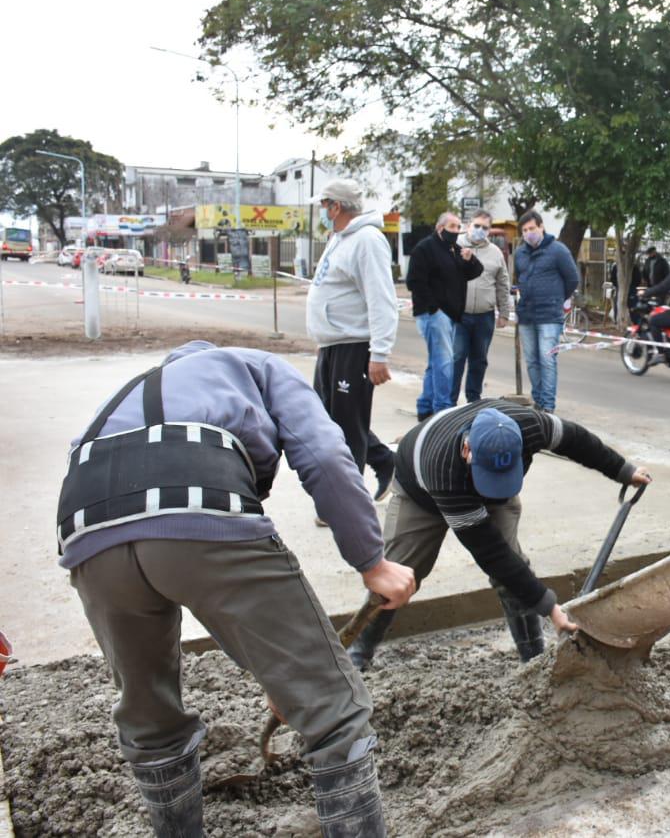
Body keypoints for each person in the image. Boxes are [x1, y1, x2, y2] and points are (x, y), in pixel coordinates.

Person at [55, 341, 418, 837]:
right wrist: (372, 562)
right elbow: (326, 455)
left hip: (87, 528)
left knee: (150, 718)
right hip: (197, 493)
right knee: (334, 711)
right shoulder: (257, 367)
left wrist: (277, 672)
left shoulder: (128, 393)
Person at [346, 399, 652, 670]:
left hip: (481, 486)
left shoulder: (531, 426)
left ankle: (532, 659)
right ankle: (358, 652)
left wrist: (622, 470)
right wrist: (550, 607)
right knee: (397, 574)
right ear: (467, 449)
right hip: (419, 492)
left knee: (513, 574)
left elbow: (577, 440)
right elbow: (490, 552)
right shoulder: (443, 469)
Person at [306, 178, 399, 507]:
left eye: (323, 206)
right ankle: (385, 461)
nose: (320, 212)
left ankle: (348, 505)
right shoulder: (339, 238)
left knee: (346, 430)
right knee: (326, 421)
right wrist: (324, 337)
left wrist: (380, 353)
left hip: (354, 347)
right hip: (333, 345)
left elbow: (381, 299)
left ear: (336, 206)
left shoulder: (367, 240)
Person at [405, 212, 483, 420]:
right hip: (434, 314)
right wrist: (433, 308)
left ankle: (425, 406)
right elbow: (414, 281)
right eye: (452, 226)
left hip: (451, 315)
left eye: (458, 227)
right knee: (444, 362)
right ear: (440, 228)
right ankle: (442, 409)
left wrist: (469, 260)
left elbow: (475, 271)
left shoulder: (454, 250)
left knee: (436, 362)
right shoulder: (425, 248)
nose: (456, 231)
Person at [513, 210, 579, 412]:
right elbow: (518, 279)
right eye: (525, 230)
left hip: (549, 316)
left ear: (541, 227)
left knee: (547, 359)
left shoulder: (558, 250)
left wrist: (557, 299)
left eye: (532, 228)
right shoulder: (520, 253)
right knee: (532, 361)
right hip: (526, 315)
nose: (529, 233)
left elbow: (572, 279)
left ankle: (548, 406)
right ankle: (539, 401)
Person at [450, 210, 512, 405]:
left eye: (484, 227)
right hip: (459, 315)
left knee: (479, 360)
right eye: (476, 225)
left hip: (484, 317)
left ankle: (473, 400)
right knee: (456, 357)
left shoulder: (495, 253)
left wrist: (504, 312)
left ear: (489, 230)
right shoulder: (453, 246)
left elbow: (503, 284)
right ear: (468, 225)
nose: (480, 230)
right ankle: (449, 402)